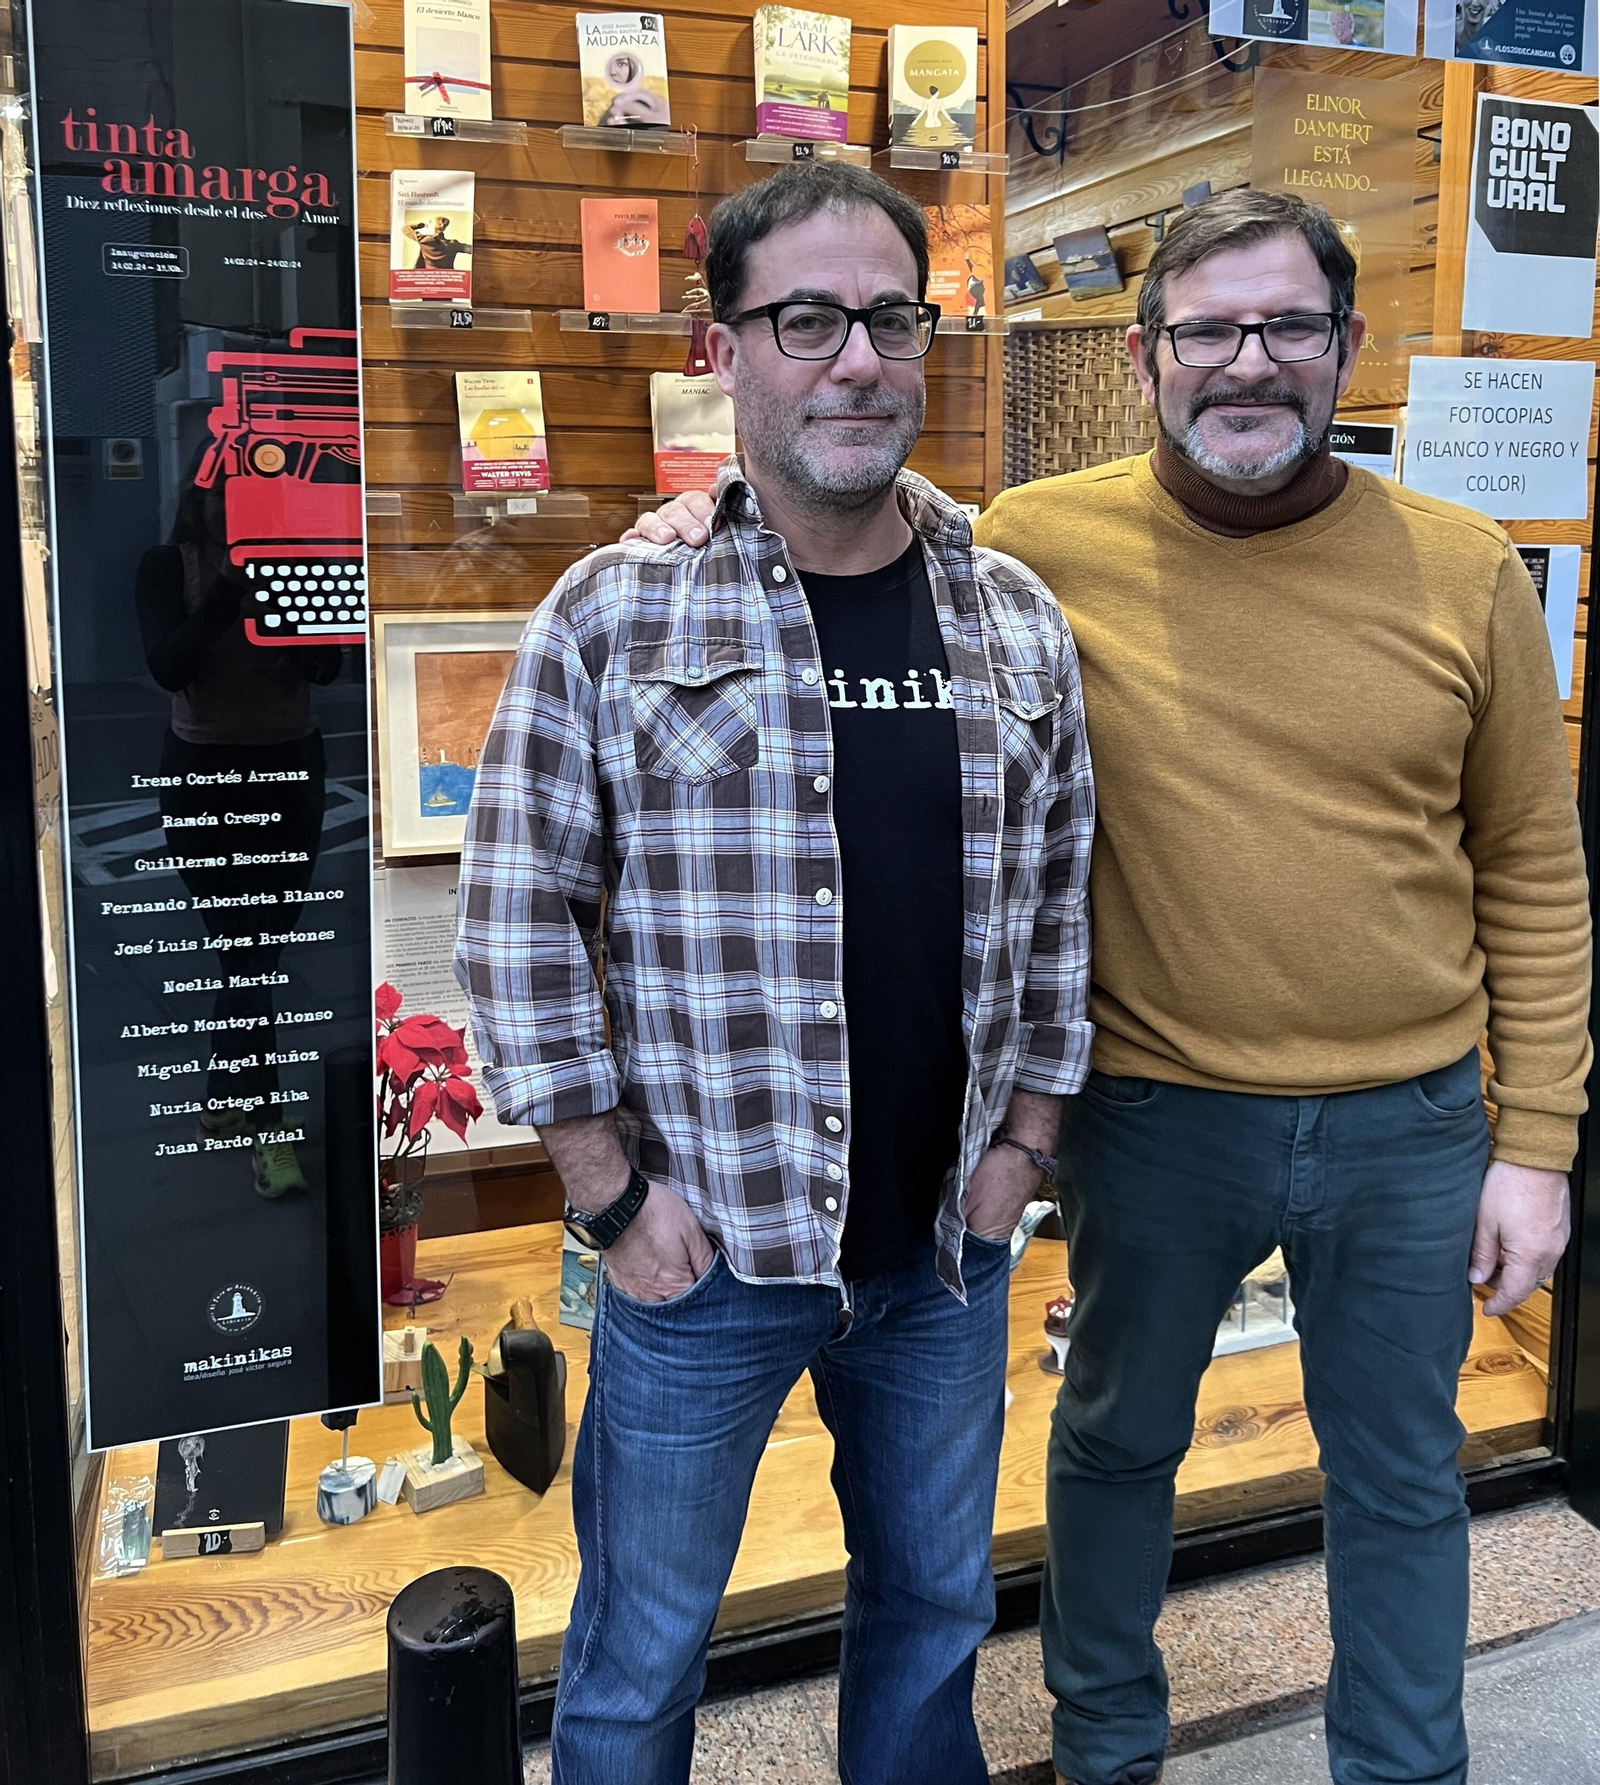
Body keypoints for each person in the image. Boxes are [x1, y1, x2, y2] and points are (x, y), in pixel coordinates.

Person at [629, 186, 1592, 1785]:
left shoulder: (1465, 569)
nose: (1249, 364)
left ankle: (1407, 1770)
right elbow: (840, 527)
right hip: (1147, 1119)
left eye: (1287, 327)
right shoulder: (1035, 546)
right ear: (1145, 357)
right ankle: (1109, 1755)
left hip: (1410, 1126)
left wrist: (1539, 1141)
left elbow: (1536, 868)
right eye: (1207, 330)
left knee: (1406, 1478)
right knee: (1116, 1446)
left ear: (1348, 347)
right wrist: (706, 510)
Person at [454, 161, 1094, 1785]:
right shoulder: (613, 613)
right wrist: (609, 1200)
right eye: (805, 320)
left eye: (889, 318)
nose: (856, 360)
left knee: (937, 1619)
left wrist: (1020, 1155)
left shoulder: (1016, 621)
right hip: (704, 1258)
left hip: (943, 1262)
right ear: (719, 347)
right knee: (640, 1659)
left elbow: (1062, 909)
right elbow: (520, 924)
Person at [135, 469, 340, 1199]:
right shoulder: (168, 565)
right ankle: (268, 1123)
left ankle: (228, 1097)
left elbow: (328, 665)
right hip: (204, 767)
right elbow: (167, 665)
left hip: (290, 763)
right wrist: (229, 587)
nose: (241, 507)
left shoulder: (297, 560)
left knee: (258, 945)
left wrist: (289, 617)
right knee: (245, 945)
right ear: (200, 496)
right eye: (230, 492)